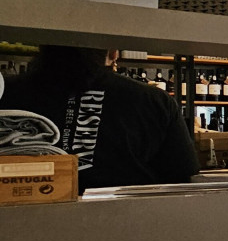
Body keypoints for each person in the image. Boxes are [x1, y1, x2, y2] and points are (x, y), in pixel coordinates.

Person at [0, 45, 199, 191]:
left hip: (20, 222)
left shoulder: (7, 92)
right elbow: (182, 176)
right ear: (113, 53)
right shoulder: (153, 100)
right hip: (129, 223)